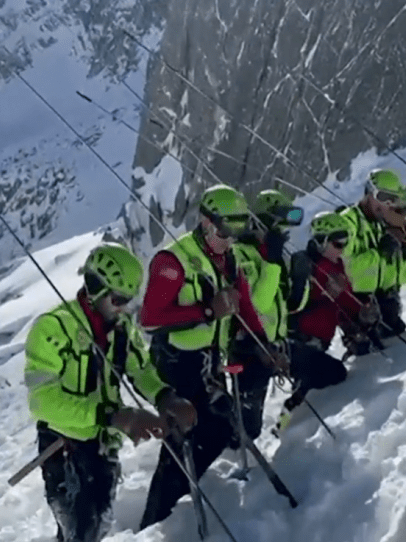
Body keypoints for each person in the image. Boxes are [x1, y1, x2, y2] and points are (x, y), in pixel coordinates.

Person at [24, 242, 196, 542]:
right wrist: (112, 415)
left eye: (127, 300)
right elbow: (42, 402)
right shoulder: (52, 329)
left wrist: (164, 396)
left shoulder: (121, 329)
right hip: (65, 449)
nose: (123, 308)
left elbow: (140, 370)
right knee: (82, 531)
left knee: (95, 526)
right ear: (95, 289)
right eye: (117, 299)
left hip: (104, 445)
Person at [138, 184, 283, 530]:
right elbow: (151, 317)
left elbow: (243, 304)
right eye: (224, 231)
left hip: (208, 360)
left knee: (219, 427)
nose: (229, 239)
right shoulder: (173, 261)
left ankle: (178, 508)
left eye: (237, 232)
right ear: (206, 222)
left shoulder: (228, 259)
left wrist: (265, 346)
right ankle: (157, 521)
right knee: (182, 439)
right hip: (176, 361)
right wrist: (206, 311)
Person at [275, 211, 365, 434]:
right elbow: (291, 305)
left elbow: (345, 303)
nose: (342, 248)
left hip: (317, 344)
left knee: (317, 380)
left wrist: (361, 314)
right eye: (337, 243)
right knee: (321, 378)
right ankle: (284, 428)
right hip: (297, 342)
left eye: (345, 242)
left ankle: (284, 426)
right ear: (321, 241)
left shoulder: (336, 267)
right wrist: (324, 295)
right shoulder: (303, 264)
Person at [232, 189, 305, 441]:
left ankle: (287, 424)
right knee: (247, 430)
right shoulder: (241, 255)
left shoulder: (273, 257)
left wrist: (300, 283)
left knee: (326, 371)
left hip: (278, 347)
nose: (282, 234)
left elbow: (286, 305)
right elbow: (256, 304)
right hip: (251, 350)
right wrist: (272, 263)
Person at [340, 169, 406, 348]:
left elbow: (402, 279)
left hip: (386, 304)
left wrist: (403, 252)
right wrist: (379, 252)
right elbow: (345, 269)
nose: (387, 204)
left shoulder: (389, 223)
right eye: (382, 196)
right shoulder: (348, 223)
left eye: (392, 199)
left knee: (396, 334)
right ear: (369, 193)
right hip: (358, 304)